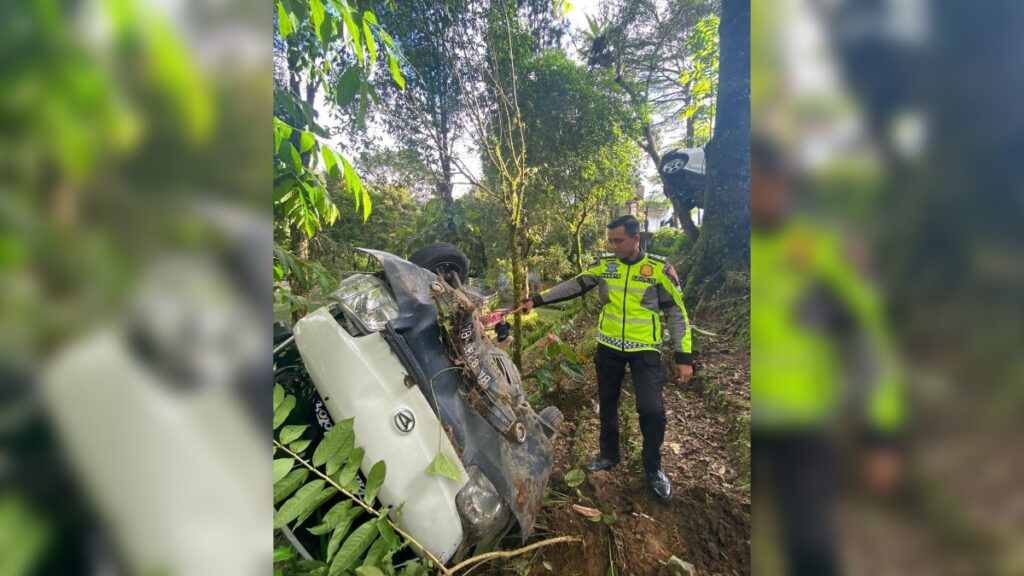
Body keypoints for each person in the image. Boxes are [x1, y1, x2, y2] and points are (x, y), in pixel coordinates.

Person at [751, 135, 904, 576]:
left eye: (759, 182)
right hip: (751, 418)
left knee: (811, 544)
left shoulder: (826, 248)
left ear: (781, 182)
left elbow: (873, 341)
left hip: (806, 423)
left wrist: (882, 434)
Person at [512, 215, 694, 502]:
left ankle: (653, 468)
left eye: (618, 241)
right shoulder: (605, 265)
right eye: (610, 240)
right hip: (608, 346)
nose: (613, 246)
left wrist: (684, 356)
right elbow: (575, 285)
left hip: (645, 349)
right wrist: (538, 300)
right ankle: (609, 454)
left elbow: (677, 314)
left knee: (652, 410)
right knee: (607, 405)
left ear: (636, 239)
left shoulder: (659, 269)